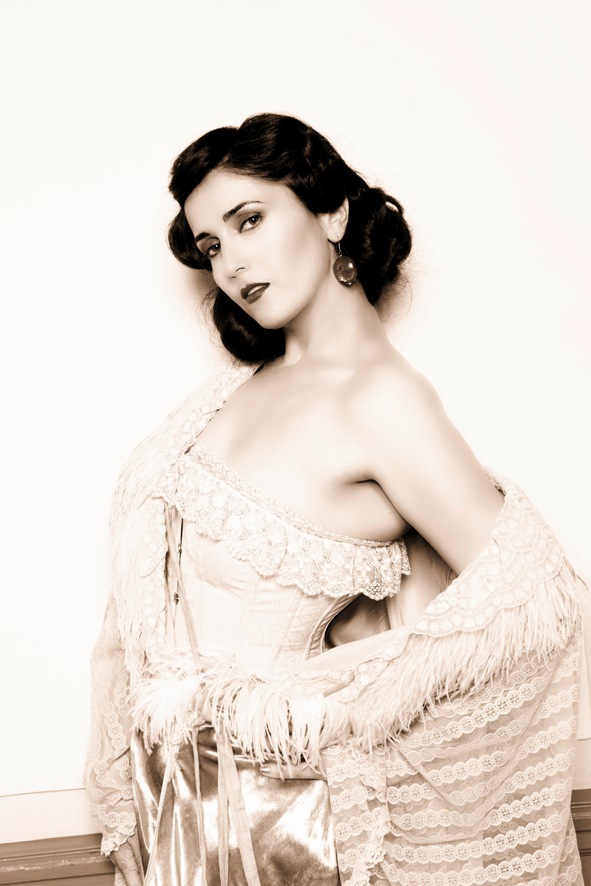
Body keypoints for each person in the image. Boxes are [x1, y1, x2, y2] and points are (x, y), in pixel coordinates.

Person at [85, 113, 587, 886]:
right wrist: (126, 790)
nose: (230, 262)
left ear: (331, 214)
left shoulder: (381, 401)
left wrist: (344, 703)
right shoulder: (223, 396)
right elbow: (140, 614)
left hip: (280, 825)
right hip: (172, 802)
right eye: (211, 245)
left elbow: (533, 599)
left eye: (249, 220)